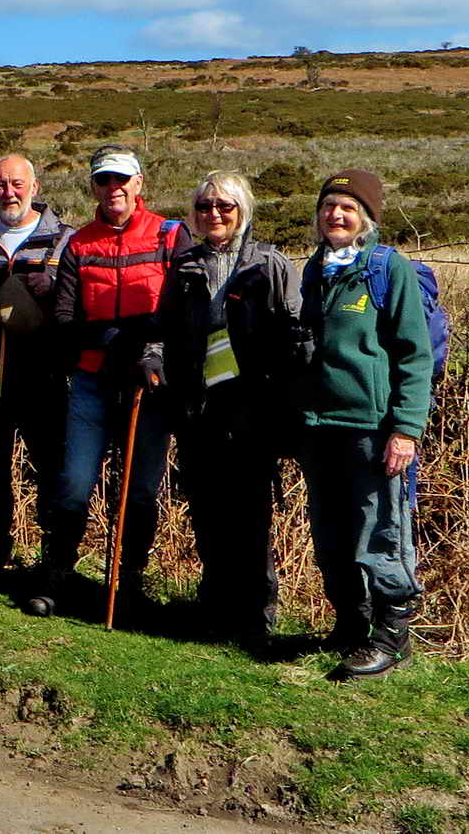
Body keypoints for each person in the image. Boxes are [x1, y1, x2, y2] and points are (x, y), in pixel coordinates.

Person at [43, 145, 191, 620]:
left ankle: (128, 583)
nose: (114, 189)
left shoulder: (171, 235)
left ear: (139, 183)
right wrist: (106, 336)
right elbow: (63, 319)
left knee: (141, 490)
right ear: (94, 187)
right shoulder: (80, 244)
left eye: (122, 179)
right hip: (92, 379)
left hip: (147, 385)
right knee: (73, 485)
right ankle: (57, 575)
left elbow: (185, 312)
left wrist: (150, 345)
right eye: (104, 181)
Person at [299, 169, 432, 679]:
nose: (336, 215)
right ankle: (350, 626)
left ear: (367, 219)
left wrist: (406, 429)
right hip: (318, 426)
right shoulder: (314, 271)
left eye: (348, 208)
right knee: (330, 532)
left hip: (372, 428)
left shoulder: (386, 268)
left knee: (381, 532)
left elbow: (414, 355)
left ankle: (391, 636)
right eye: (329, 206)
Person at [160, 171, 301, 644]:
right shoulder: (183, 267)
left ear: (244, 211)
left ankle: (258, 616)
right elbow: (164, 331)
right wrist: (150, 359)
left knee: (252, 512)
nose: (214, 215)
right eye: (204, 207)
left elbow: (297, 331)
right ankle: (216, 608)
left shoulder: (271, 264)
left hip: (253, 411)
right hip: (199, 409)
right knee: (206, 509)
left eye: (225, 206)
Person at [0, 154, 76, 580]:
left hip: (44, 374)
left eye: (17, 183)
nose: (9, 192)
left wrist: (54, 288)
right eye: (1, 184)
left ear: (35, 187)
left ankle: (53, 556)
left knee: (49, 465)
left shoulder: (64, 240)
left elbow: (76, 306)